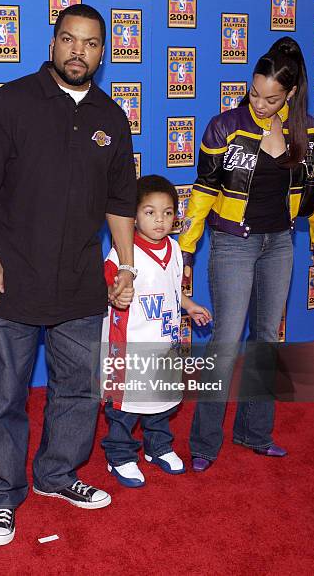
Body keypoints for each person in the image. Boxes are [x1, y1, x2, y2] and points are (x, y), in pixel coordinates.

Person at [0, 4, 137, 545]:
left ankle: (57, 475)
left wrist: (125, 265)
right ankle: (1, 498)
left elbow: (120, 201)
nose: (78, 51)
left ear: (103, 52)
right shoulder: (10, 102)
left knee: (78, 392)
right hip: (11, 278)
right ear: (53, 43)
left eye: (90, 43)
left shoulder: (111, 117)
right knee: (7, 396)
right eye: (68, 40)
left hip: (82, 282)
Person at [179, 37, 314, 472]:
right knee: (225, 343)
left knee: (267, 339)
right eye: (254, 94)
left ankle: (254, 432)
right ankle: (205, 444)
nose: (260, 105)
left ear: (291, 94)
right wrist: (186, 251)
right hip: (232, 244)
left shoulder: (310, 134)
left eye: (271, 98)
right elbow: (203, 191)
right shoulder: (224, 127)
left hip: (280, 243)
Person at [100, 175, 211, 487]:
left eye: (167, 212)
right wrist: (113, 291)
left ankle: (158, 446)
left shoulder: (175, 249)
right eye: (150, 212)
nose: (160, 220)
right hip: (130, 345)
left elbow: (172, 290)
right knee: (126, 406)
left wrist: (188, 305)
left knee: (162, 400)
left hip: (164, 345)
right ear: (133, 215)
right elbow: (106, 287)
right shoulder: (123, 254)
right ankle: (120, 454)